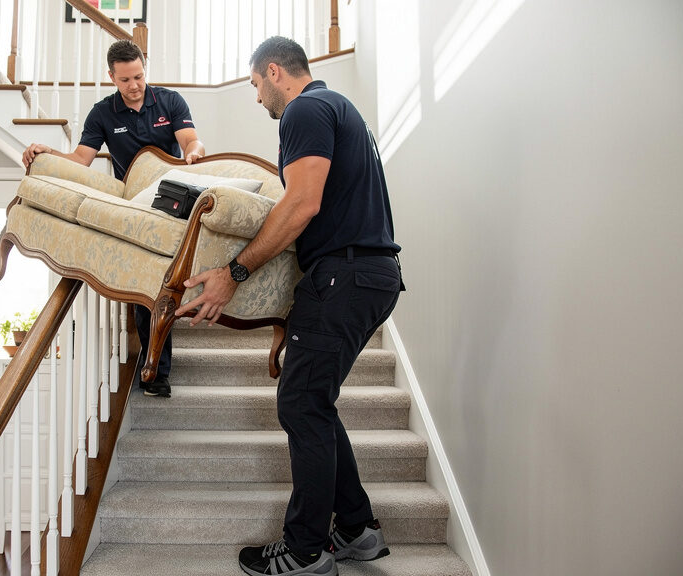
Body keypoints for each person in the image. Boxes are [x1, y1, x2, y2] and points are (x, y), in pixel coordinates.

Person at [175, 36, 404, 576]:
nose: (256, 98)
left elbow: (302, 204)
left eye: (255, 85)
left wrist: (233, 273)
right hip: (365, 276)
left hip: (345, 276)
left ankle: (306, 549)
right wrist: (290, 313)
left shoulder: (303, 110)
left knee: (300, 404)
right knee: (313, 401)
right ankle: (356, 529)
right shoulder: (338, 108)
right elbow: (316, 213)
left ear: (274, 72)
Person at [23, 39, 205, 399]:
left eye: (138, 76)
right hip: (134, 205)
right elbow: (79, 159)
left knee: (173, 279)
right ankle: (156, 373)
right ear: (112, 77)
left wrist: (195, 153)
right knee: (145, 286)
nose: (134, 85)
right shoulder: (102, 113)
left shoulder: (169, 101)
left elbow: (190, 141)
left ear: (144, 68)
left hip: (173, 199)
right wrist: (46, 153)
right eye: (125, 80)